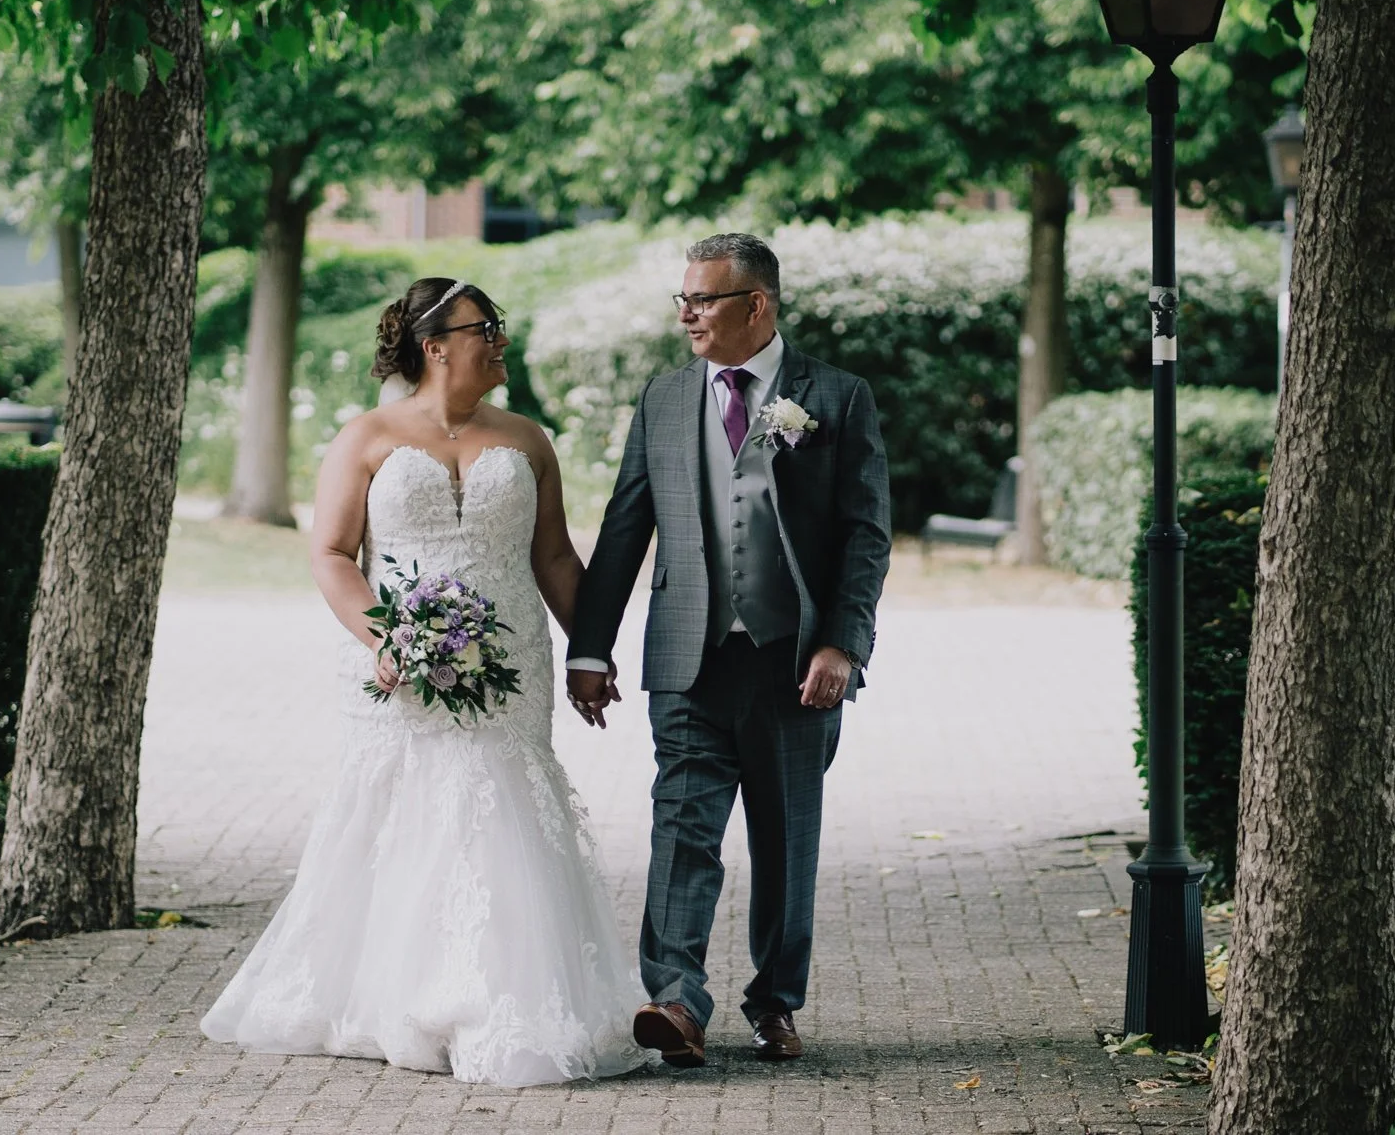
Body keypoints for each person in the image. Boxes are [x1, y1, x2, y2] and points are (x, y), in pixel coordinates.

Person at [199, 278, 648, 1086]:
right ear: (435, 345)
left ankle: (496, 1000)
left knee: (502, 811)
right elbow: (333, 554)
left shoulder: (527, 438)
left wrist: (593, 650)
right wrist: (388, 638)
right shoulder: (366, 436)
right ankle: (396, 997)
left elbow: (552, 558)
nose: (501, 341)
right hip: (397, 667)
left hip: (511, 664)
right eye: (487, 328)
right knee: (404, 812)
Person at [567, 232, 891, 1066]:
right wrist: (590, 649)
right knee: (681, 829)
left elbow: (864, 536)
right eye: (682, 299)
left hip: (793, 660)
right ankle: (675, 1001)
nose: (687, 314)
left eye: (703, 299)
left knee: (786, 841)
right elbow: (624, 527)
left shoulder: (838, 396)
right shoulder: (665, 398)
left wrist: (842, 646)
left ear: (757, 305)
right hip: (688, 656)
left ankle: (775, 1003)